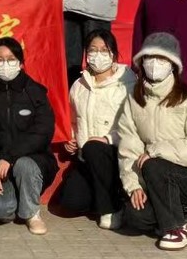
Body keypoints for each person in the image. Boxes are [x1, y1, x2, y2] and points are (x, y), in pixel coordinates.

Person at [117, 32, 187, 251]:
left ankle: (176, 229)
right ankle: (176, 210)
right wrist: (134, 186)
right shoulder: (134, 100)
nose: (155, 64)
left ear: (173, 64)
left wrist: (157, 150)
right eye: (149, 57)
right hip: (155, 177)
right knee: (135, 216)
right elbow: (128, 147)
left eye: (162, 58)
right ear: (141, 62)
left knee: (154, 164)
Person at [0, 37, 57, 235]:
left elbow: (42, 131)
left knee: (24, 165)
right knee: (0, 210)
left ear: (20, 62)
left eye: (11, 59)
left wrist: (10, 157)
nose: (5, 64)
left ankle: (31, 213)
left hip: (32, 161)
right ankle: (17, 199)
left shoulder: (34, 91)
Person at [57, 29, 136, 229]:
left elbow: (135, 124)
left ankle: (112, 207)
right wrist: (70, 139)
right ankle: (110, 195)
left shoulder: (128, 83)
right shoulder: (79, 85)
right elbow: (73, 120)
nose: (97, 55)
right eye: (93, 50)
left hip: (117, 152)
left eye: (104, 50)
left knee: (94, 148)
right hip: (86, 156)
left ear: (113, 53)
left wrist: (108, 139)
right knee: (70, 202)